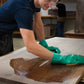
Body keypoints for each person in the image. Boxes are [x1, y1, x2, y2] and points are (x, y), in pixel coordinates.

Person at [0, 0, 84, 64]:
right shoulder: (23, 8)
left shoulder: (36, 3)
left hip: (6, 32)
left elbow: (38, 22)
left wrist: (43, 43)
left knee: (5, 59)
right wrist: (61, 59)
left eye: (53, 1)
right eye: (48, 0)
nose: (51, 5)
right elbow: (30, 46)